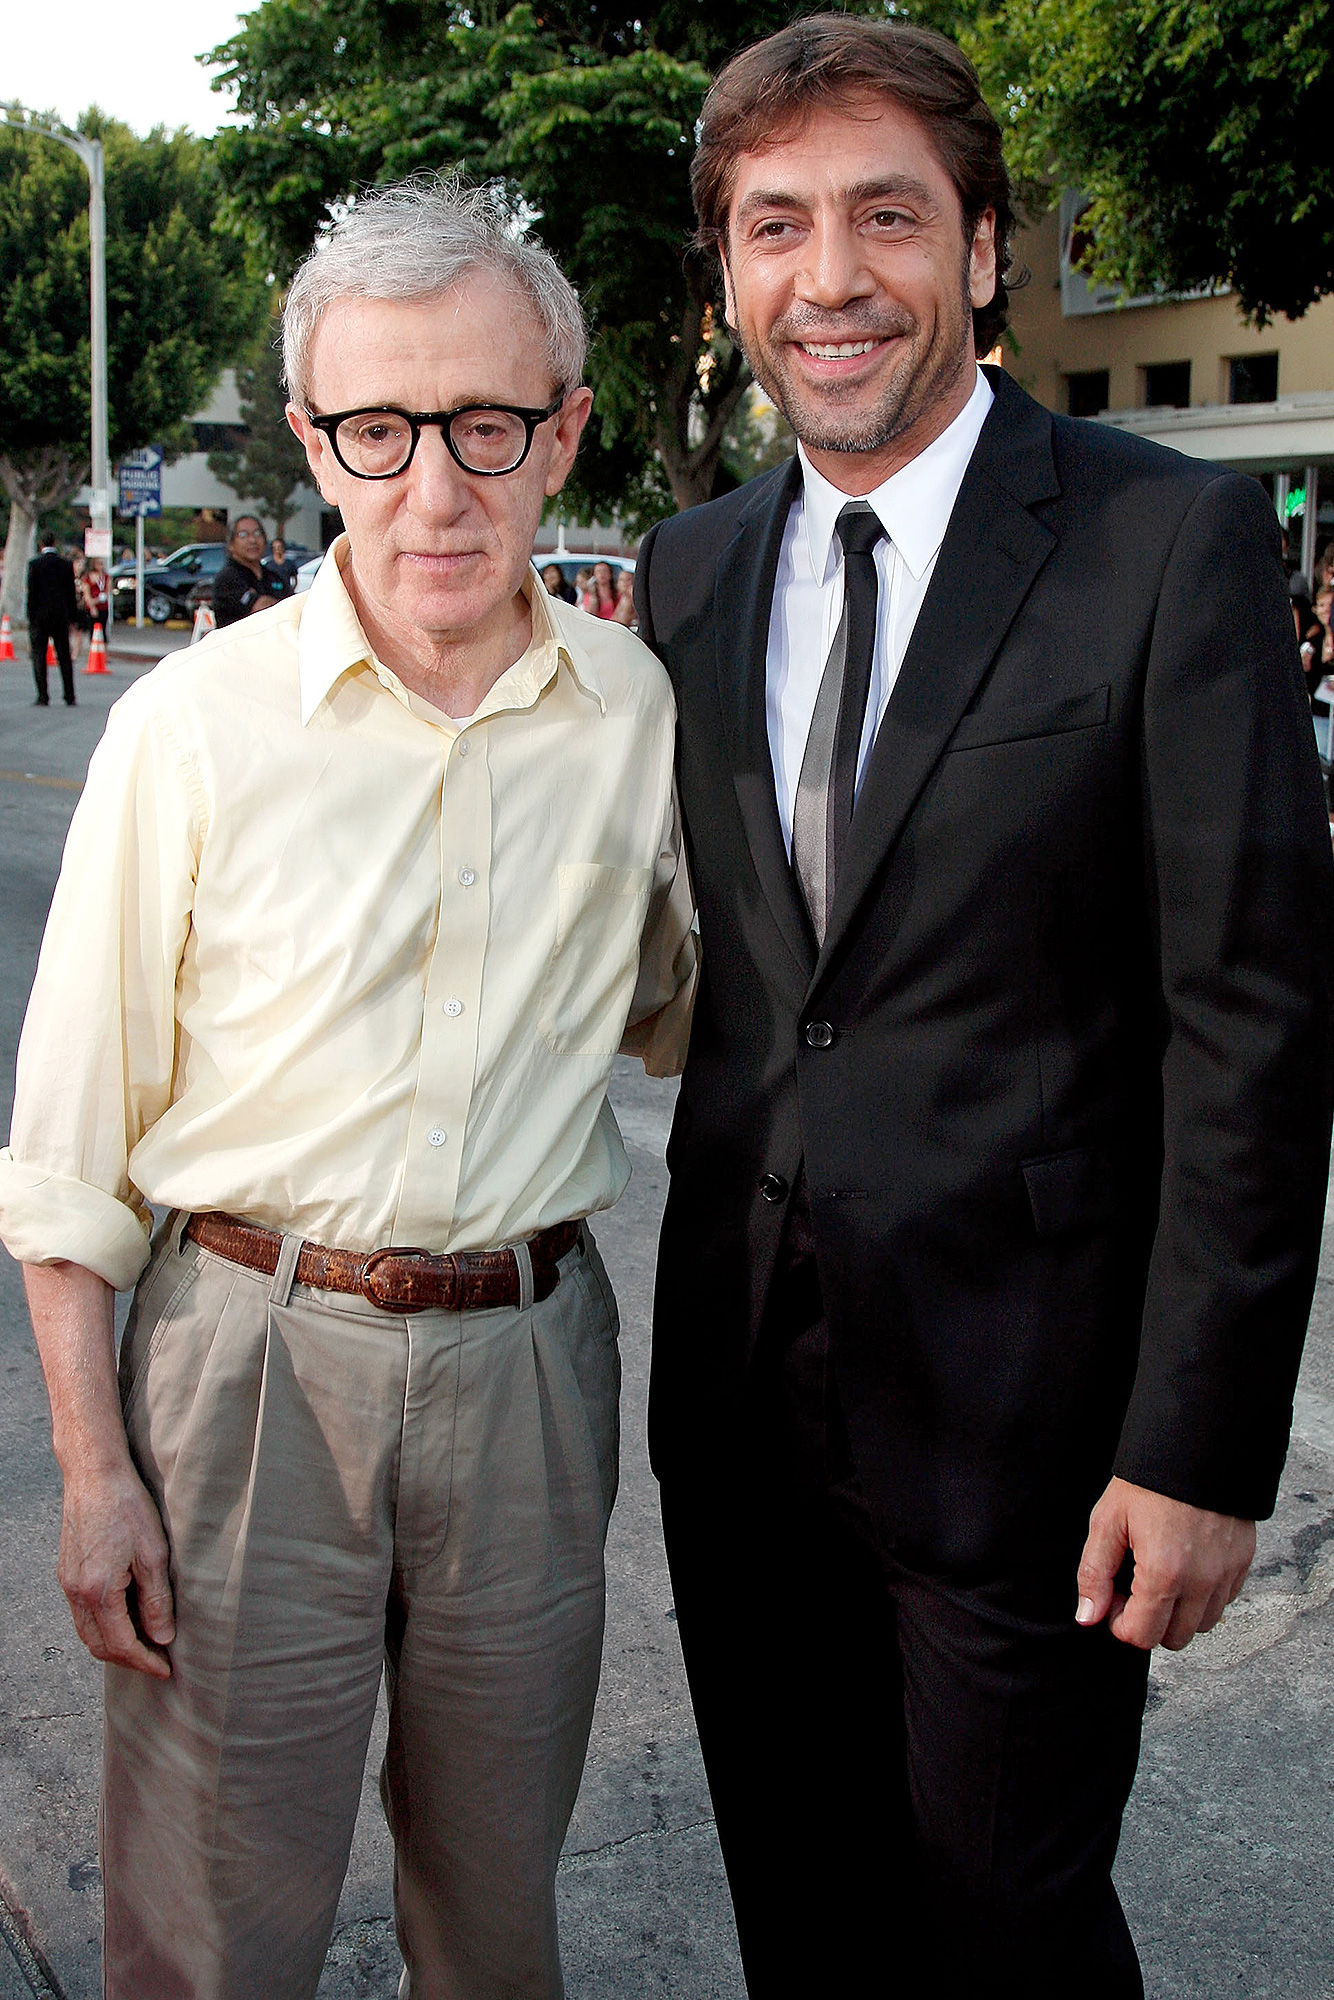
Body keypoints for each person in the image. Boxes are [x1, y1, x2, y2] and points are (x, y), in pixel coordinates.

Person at [632, 15, 1334, 1996]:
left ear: (986, 250)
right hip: (741, 1395)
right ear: (729, 276)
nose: (830, 276)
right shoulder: (687, 574)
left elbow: (1253, 1027)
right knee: (805, 1903)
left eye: (885, 217)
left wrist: (1197, 1443)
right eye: (775, 227)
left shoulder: (1155, 541)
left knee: (1004, 1923)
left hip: (1031, 1417)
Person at [0, 176, 695, 2000]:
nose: (435, 487)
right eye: (378, 430)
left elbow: (697, 1012)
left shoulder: (637, 712)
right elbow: (66, 1152)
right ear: (311, 438)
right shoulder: (188, 728)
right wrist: (93, 1475)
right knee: (217, 1934)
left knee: (495, 1907)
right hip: (242, 1370)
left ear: (565, 425)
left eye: (485, 423)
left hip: (533, 1369)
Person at [26, 536, 79, 706]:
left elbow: (31, 593)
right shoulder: (65, 564)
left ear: (41, 544)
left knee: (39, 656)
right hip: (60, 616)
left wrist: (30, 615)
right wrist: (73, 616)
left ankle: (43, 695)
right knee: (64, 656)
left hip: (40, 616)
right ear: (54, 543)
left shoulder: (35, 564)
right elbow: (71, 593)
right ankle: (69, 695)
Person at [211, 514, 286, 626]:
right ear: (231, 544)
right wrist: (285, 607)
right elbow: (261, 610)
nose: (252, 540)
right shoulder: (228, 578)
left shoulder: (273, 577)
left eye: (257, 533)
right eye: (243, 535)